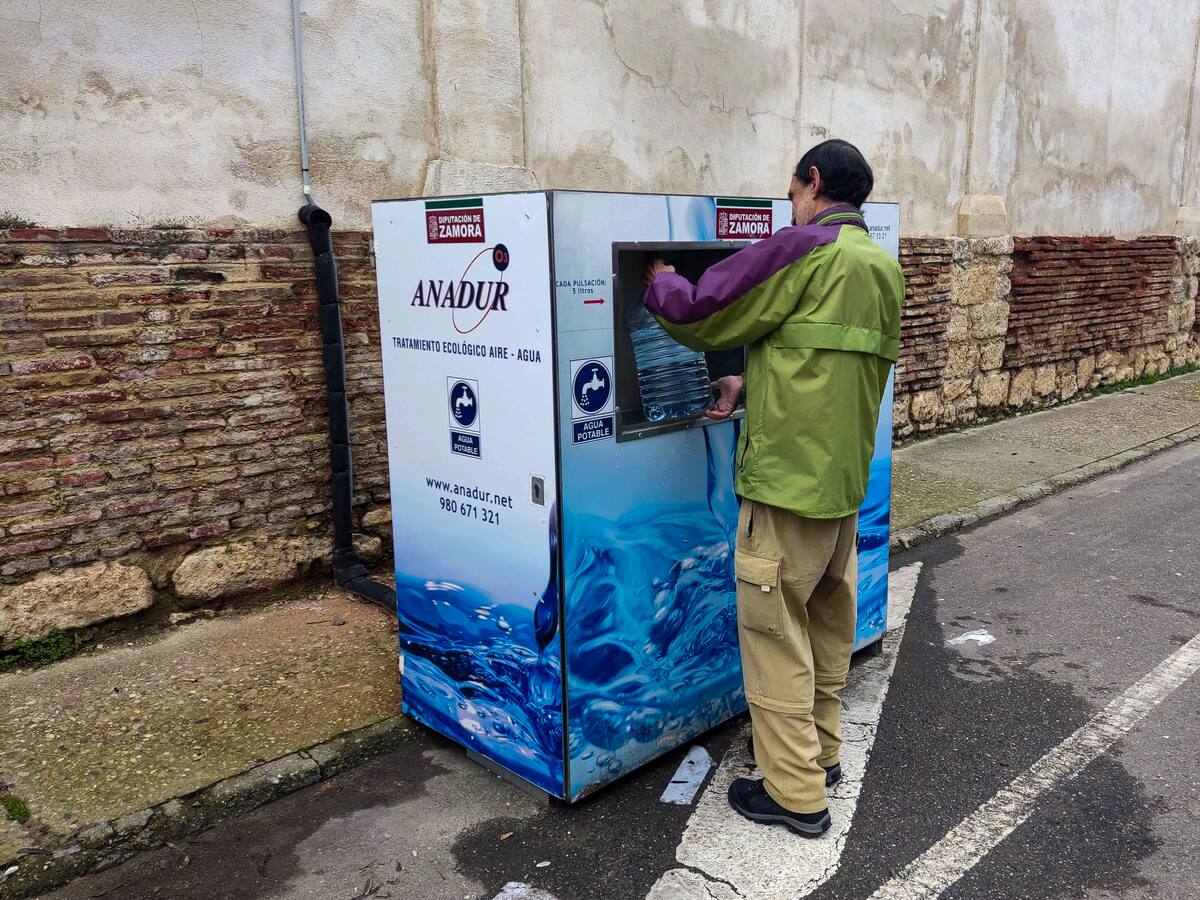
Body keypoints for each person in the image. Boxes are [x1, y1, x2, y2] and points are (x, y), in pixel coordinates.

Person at [642, 139, 903, 837]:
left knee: (773, 637)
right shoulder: (880, 266)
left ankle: (794, 795)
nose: (789, 204)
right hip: (841, 490)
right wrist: (749, 384)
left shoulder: (800, 247)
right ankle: (820, 756)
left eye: (790, 191)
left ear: (812, 182)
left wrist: (660, 277)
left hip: (785, 491)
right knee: (822, 629)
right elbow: (823, 365)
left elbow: (702, 312)